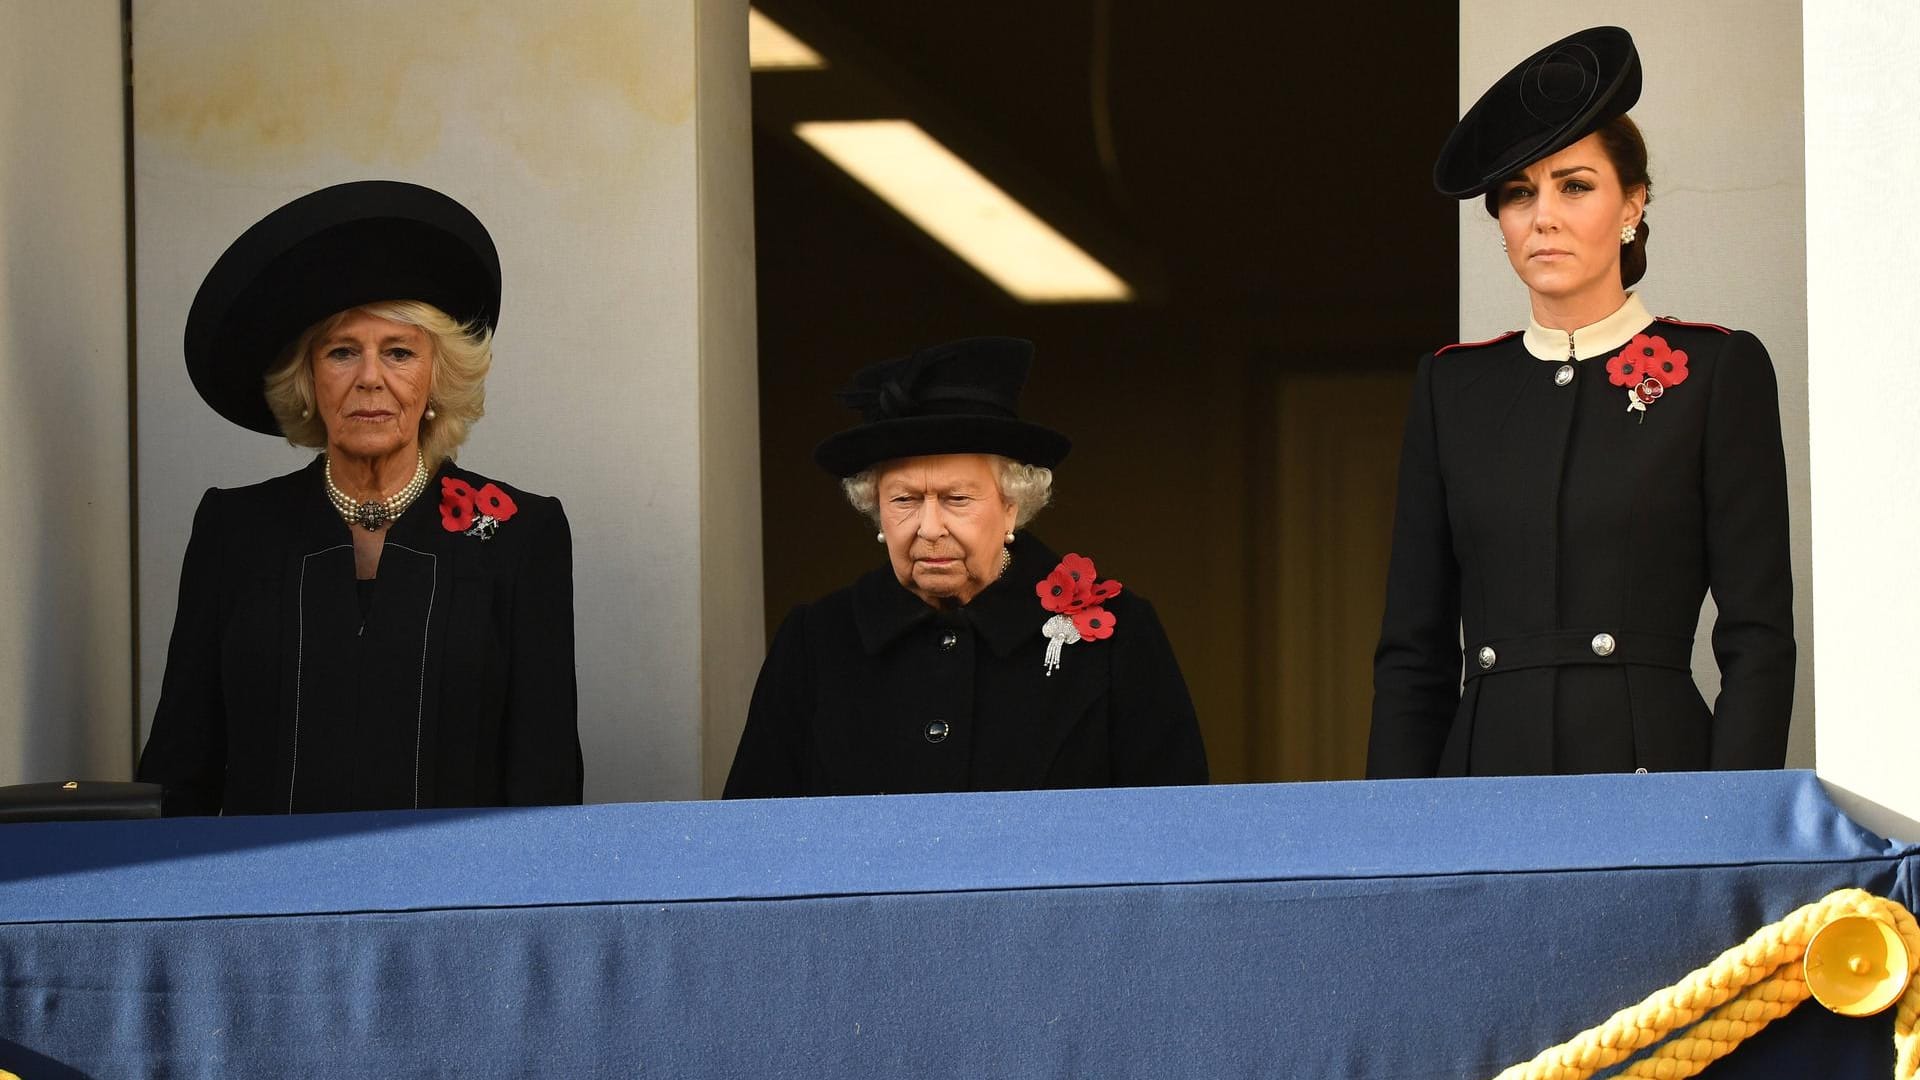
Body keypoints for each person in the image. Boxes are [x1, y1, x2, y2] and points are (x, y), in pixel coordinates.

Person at [1368, 27, 1794, 777]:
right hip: (1484, 786)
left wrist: (1731, 821)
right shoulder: (1453, 387)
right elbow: (1414, 654)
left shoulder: (1716, 370)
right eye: (1518, 193)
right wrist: (1396, 847)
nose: (1544, 216)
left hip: (1658, 779)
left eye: (1575, 185)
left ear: (1632, 202)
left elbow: (1757, 638)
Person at [138, 180, 582, 814]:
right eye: (342, 352)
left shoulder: (520, 534)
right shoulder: (235, 530)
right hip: (264, 901)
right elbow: (181, 767)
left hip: (455, 902)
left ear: (435, 379)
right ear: (309, 380)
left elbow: (544, 776)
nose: (370, 378)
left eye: (398, 353)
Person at [725, 337, 1208, 797]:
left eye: (957, 499)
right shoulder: (818, 640)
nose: (929, 527)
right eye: (904, 500)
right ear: (877, 512)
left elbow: (1176, 832)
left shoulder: (1116, 637)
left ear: (1012, 506)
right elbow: (750, 840)